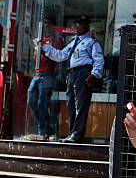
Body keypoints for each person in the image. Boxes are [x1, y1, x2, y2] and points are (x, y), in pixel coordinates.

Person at [40, 15, 104, 143]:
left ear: (86, 26)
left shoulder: (92, 42)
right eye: (77, 24)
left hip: (83, 73)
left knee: (80, 105)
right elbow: (60, 55)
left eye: (81, 24)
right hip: (72, 74)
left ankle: (77, 134)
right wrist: (45, 47)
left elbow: (99, 60)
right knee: (71, 106)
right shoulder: (73, 42)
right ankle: (72, 133)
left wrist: (94, 74)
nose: (78, 26)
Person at [28, 16, 63, 141]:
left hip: (48, 74)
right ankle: (47, 127)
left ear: (52, 26)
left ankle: (42, 130)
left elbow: (57, 55)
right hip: (38, 74)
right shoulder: (40, 40)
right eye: (43, 23)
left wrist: (43, 49)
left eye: (47, 23)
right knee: (31, 100)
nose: (44, 26)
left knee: (42, 103)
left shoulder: (56, 39)